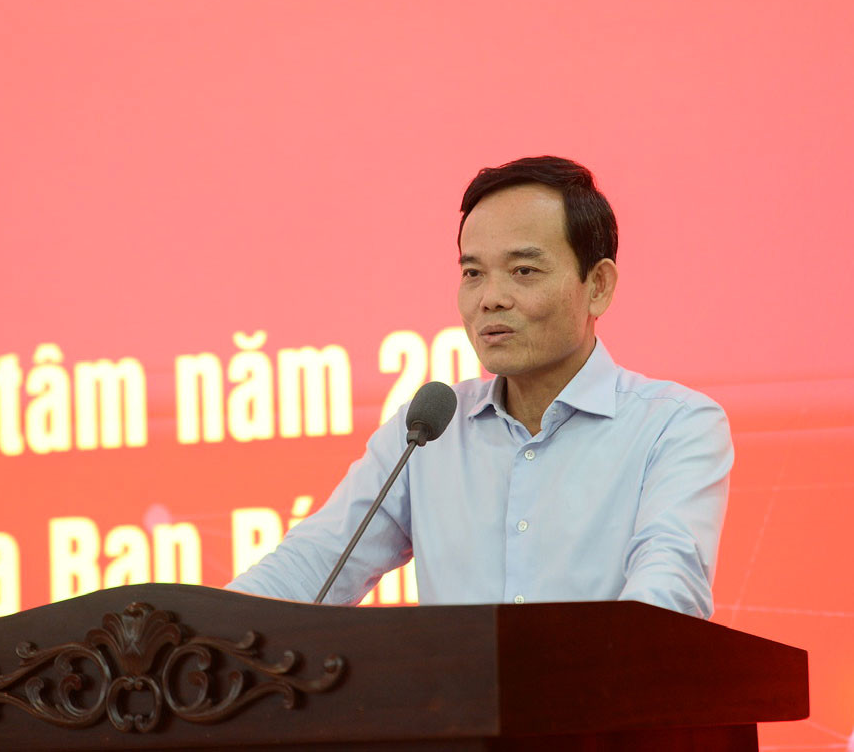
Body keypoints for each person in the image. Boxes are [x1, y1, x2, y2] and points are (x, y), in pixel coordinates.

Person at [227, 156, 733, 619]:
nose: (491, 298)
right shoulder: (427, 433)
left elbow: (668, 598)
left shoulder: (674, 426)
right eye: (473, 273)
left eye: (523, 271)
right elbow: (312, 565)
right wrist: (203, 637)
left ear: (597, 285)